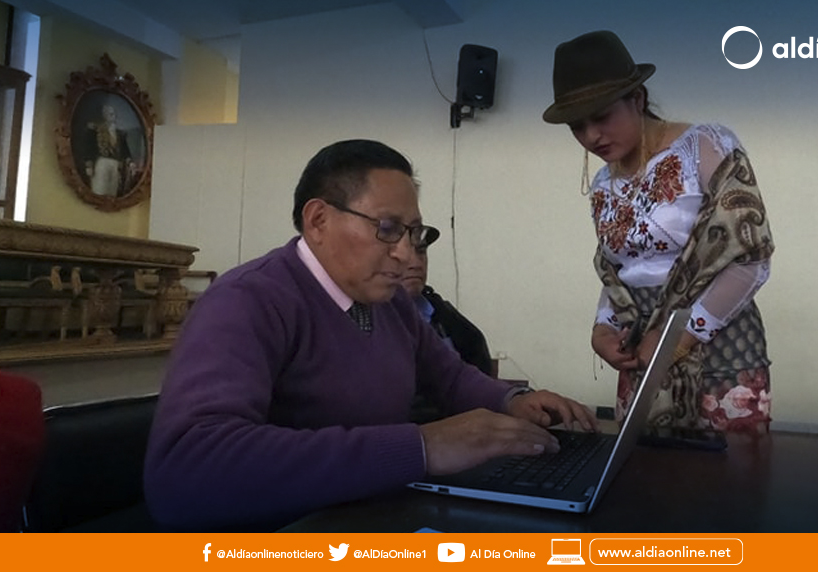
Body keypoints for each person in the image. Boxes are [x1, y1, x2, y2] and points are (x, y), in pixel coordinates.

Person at [144, 139, 597, 531]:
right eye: (388, 229)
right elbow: (187, 471)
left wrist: (511, 401)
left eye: (413, 233)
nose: (407, 255)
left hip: (368, 515)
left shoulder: (389, 303)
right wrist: (422, 447)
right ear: (318, 221)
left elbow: (450, 377)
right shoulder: (248, 300)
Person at [542, 31, 775, 435]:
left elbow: (750, 257)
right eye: (577, 126)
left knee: (730, 471)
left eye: (601, 117)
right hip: (641, 356)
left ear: (637, 98)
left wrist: (677, 338)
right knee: (644, 469)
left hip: (719, 350)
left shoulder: (705, 147)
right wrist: (603, 328)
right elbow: (621, 272)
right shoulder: (603, 182)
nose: (591, 136)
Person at [402, 242, 494, 376]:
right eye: (404, 255)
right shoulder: (373, 320)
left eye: (421, 251)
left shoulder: (439, 310)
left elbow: (477, 361)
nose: (416, 264)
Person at [84, 103, 135, 197]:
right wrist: (89, 165)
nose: (113, 116)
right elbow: (90, 148)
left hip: (115, 164)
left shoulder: (119, 133)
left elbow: (125, 150)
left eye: (113, 114)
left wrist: (130, 162)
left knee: (112, 191)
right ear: (104, 116)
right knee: (99, 189)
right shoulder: (96, 130)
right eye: (110, 114)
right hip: (102, 163)